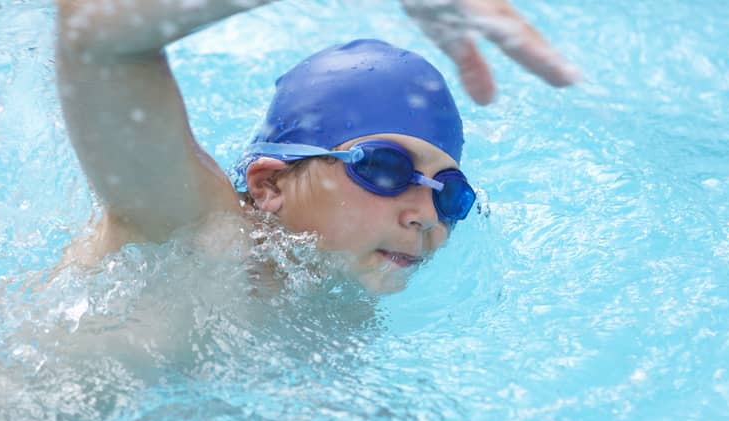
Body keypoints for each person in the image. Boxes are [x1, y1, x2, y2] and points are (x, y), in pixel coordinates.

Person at [55, 0, 578, 294]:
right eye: (385, 168)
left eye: (450, 193)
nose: (426, 216)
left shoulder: (342, 301)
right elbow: (95, 36)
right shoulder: (194, 228)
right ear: (269, 184)